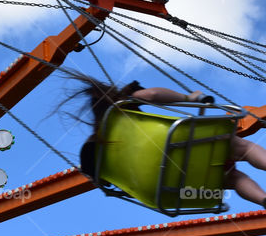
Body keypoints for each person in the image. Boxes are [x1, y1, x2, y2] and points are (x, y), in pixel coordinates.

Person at [62, 72, 266, 209]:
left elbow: (106, 182)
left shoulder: (99, 147)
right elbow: (151, 95)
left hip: (172, 184)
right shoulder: (122, 105)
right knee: (241, 147)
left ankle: (262, 199)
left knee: (233, 179)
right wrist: (190, 98)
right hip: (180, 145)